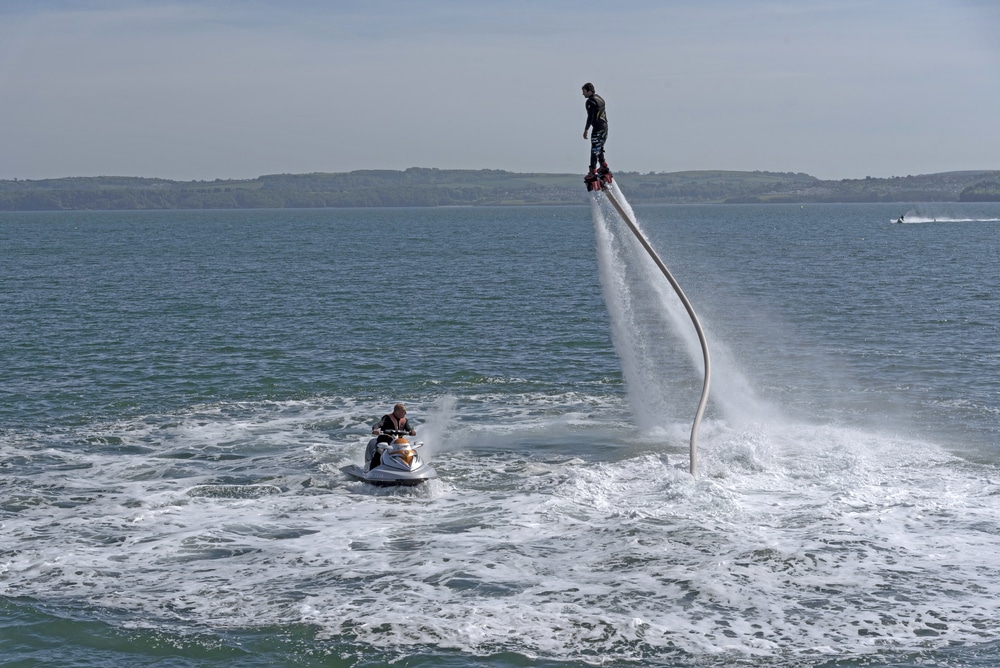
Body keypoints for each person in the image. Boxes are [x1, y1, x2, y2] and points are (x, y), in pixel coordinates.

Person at [367, 403, 416, 470]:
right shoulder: (387, 418)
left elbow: (409, 429)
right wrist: (375, 429)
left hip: (397, 443)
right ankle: (371, 470)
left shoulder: (404, 420)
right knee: (379, 452)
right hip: (384, 441)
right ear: (396, 411)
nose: (405, 413)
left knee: (408, 452)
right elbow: (378, 424)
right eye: (403, 411)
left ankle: (409, 467)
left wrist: (411, 431)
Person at [582, 82, 611, 188]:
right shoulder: (600, 98)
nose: (583, 94)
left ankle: (593, 172)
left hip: (597, 129)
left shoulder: (590, 102)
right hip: (605, 128)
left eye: (584, 91)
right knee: (599, 148)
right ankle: (603, 166)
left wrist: (586, 130)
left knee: (594, 150)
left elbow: (590, 117)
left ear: (589, 91)